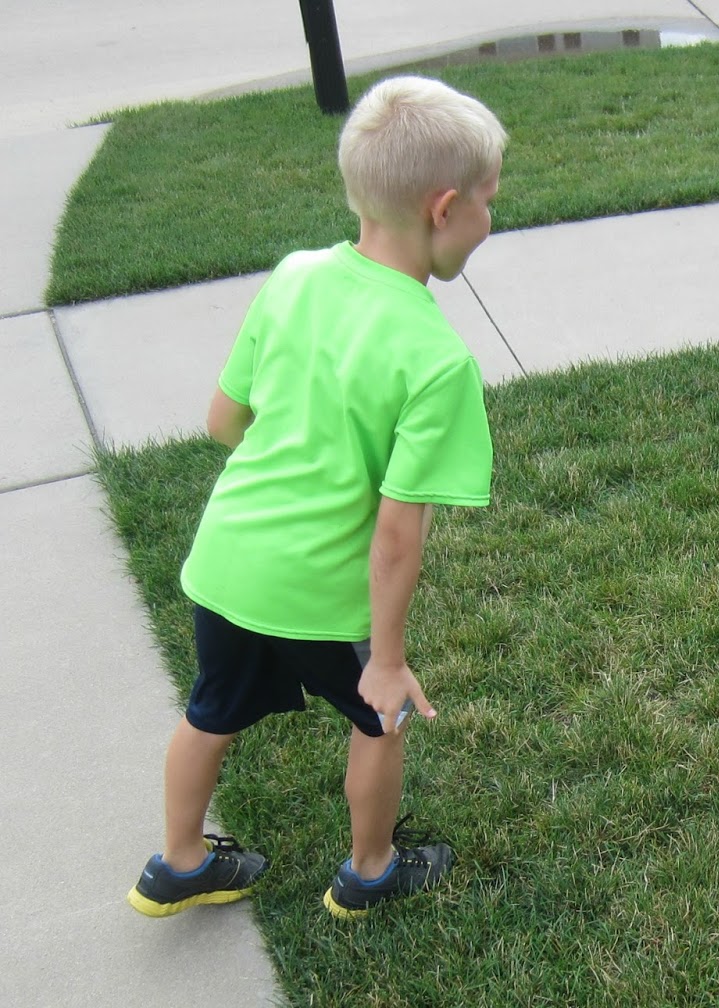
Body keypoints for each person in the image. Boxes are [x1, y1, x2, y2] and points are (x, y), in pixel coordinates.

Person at [126, 75, 506, 920]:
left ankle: (179, 862)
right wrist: (388, 660)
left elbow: (226, 420)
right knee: (379, 722)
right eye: (490, 199)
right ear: (445, 209)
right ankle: (370, 872)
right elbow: (397, 539)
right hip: (319, 600)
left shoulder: (294, 277)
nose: (492, 214)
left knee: (210, 709)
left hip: (226, 563)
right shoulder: (436, 360)